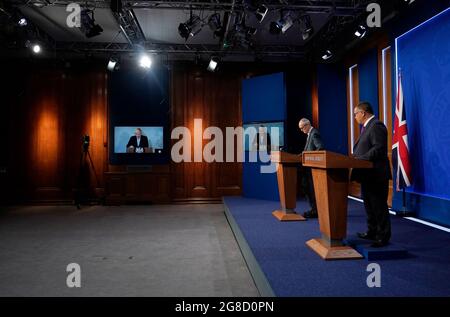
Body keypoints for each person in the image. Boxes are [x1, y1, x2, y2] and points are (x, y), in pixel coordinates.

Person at [351, 101, 392, 248]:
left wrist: (359, 159)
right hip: (367, 175)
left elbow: (379, 148)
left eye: (356, 114)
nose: (355, 117)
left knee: (378, 206)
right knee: (369, 205)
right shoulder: (367, 127)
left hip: (376, 174)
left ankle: (383, 236)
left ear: (363, 113)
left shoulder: (377, 125)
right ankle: (372, 231)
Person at [299, 118, 324, 218]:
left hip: (312, 167)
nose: (301, 130)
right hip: (308, 167)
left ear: (307, 125)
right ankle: (313, 209)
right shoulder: (310, 134)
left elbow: (320, 148)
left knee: (311, 189)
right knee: (306, 188)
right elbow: (308, 150)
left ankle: (315, 210)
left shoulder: (314, 133)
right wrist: (301, 155)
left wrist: (310, 158)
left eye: (302, 128)